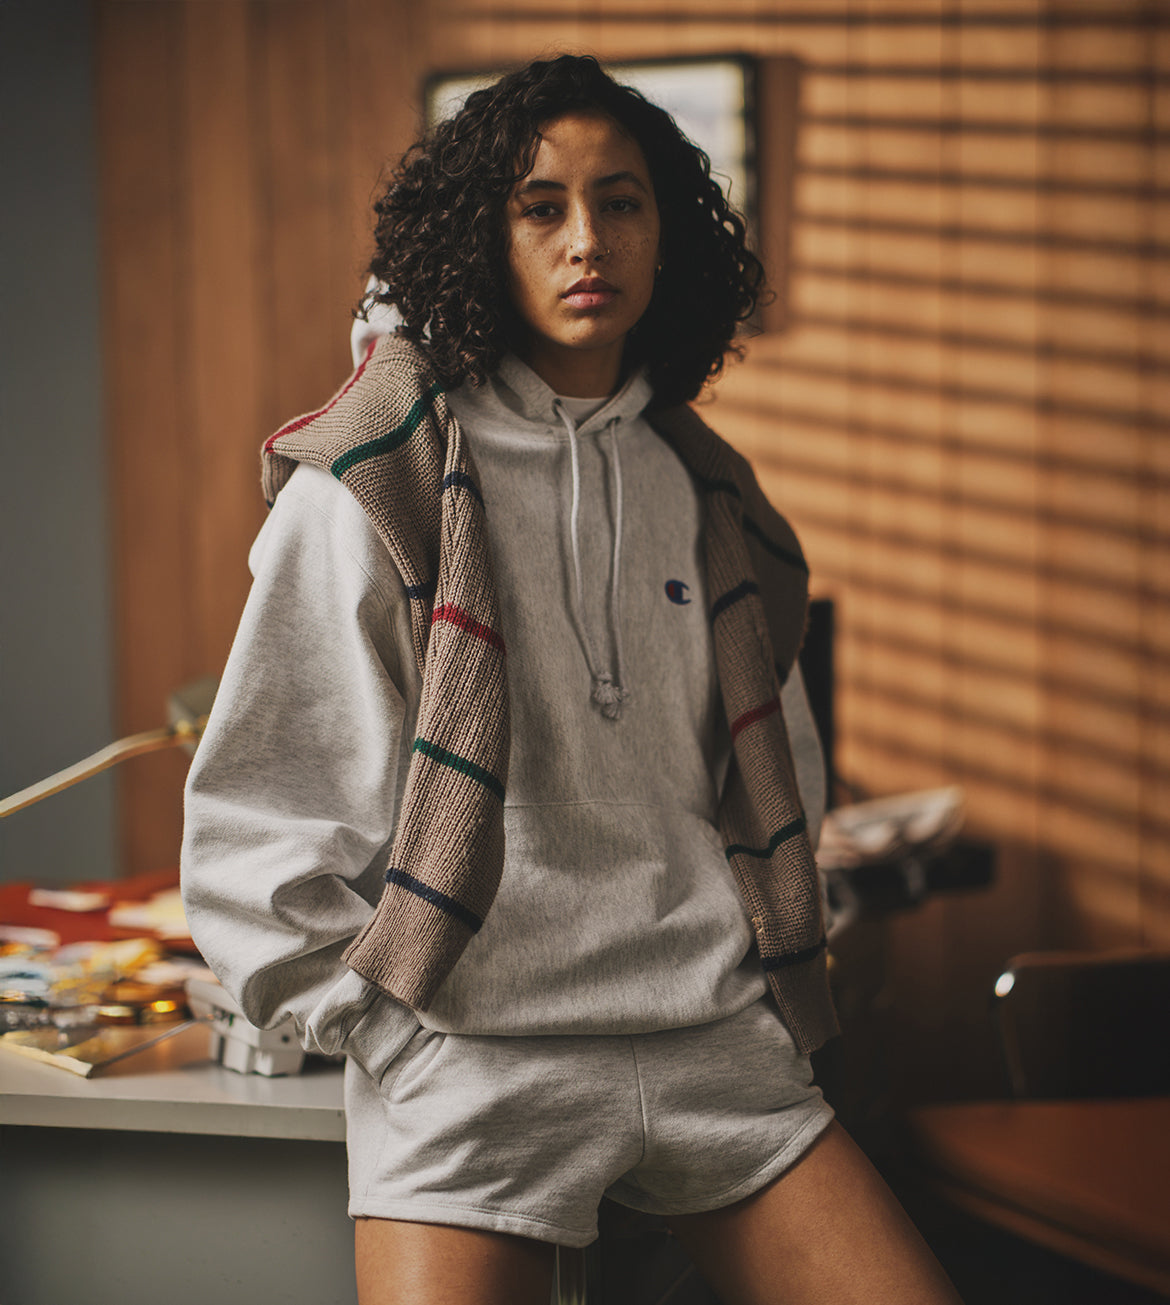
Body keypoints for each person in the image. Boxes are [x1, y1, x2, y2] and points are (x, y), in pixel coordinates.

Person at [181, 53, 961, 1305]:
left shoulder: (714, 497)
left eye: (624, 201)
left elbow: (787, 789)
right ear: (481, 237)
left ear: (669, 237)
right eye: (539, 207)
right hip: (479, 1064)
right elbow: (255, 822)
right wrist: (387, 1033)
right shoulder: (374, 482)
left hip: (714, 1045)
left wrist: (772, 989)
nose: (586, 238)